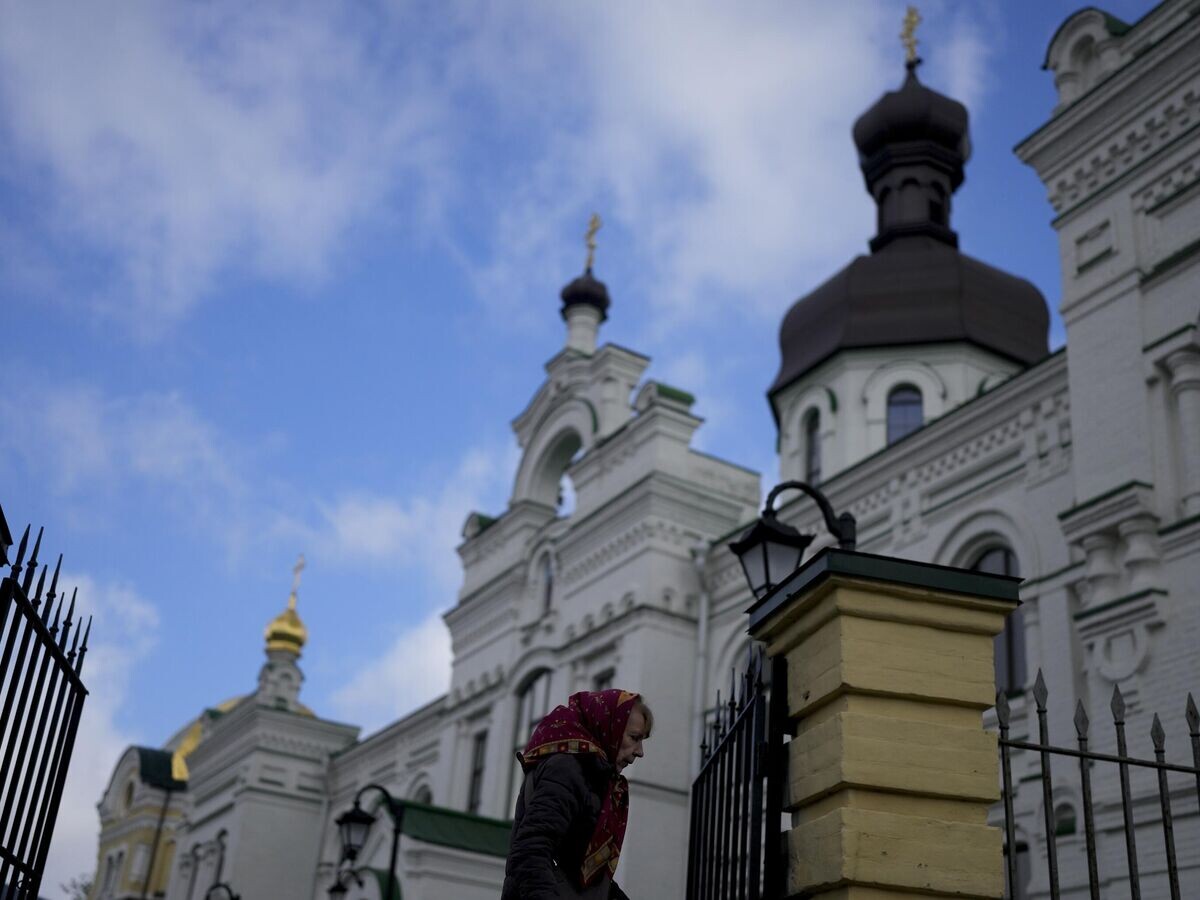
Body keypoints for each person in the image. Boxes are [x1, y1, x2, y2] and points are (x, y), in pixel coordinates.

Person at [502, 689, 653, 900]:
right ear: (609, 726)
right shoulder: (567, 769)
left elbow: (582, 874)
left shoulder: (592, 774)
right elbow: (531, 850)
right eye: (634, 737)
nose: (640, 751)